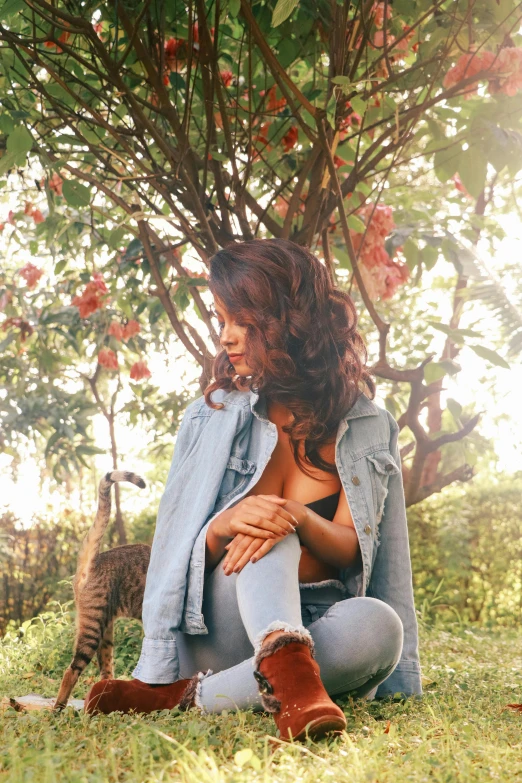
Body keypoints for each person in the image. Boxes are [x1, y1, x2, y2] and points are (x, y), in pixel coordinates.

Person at [84, 238, 422, 741]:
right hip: (222, 626)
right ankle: (283, 672)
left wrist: (301, 517)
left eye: (243, 321)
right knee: (268, 527)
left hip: (320, 624)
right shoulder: (211, 415)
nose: (227, 337)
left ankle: (194, 696)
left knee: (379, 625)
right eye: (222, 320)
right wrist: (226, 525)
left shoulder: (372, 425)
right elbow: (174, 550)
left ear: (291, 321)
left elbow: (371, 554)